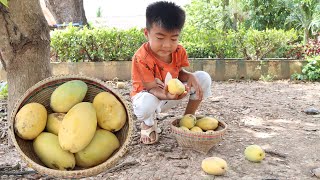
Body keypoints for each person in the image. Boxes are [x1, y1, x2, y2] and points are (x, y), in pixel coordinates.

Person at [130, 1, 212, 145]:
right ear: (146, 33)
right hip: (149, 98)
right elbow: (151, 88)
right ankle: (148, 123)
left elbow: (178, 73)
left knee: (202, 78)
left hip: (170, 95)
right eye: (160, 38)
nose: (167, 45)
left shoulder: (179, 51)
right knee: (146, 103)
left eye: (173, 38)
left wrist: (190, 76)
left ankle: (188, 119)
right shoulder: (141, 57)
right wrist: (167, 95)